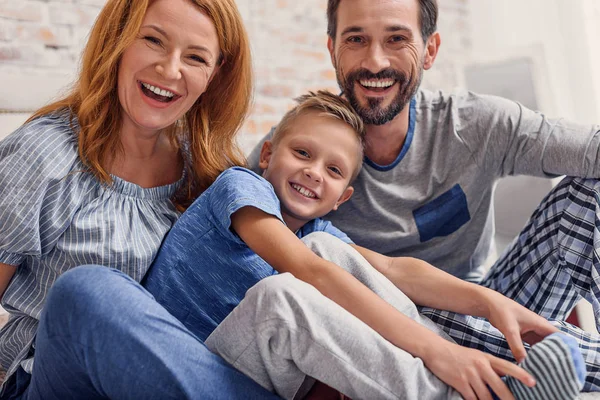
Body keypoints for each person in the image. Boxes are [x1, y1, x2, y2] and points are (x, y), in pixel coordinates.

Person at [247, 0, 600, 393]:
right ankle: (544, 374)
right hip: (390, 336)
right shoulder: (296, 154)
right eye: (356, 39)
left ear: (430, 49)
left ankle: (536, 374)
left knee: (592, 191)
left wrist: (487, 302)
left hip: (485, 303)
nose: (375, 61)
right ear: (332, 50)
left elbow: (592, 149)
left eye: (396, 39)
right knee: (382, 295)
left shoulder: (477, 124)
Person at [144, 90, 586, 400]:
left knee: (326, 251)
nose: (315, 171)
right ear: (267, 155)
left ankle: (472, 378)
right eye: (302, 153)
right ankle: (452, 392)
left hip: (257, 365)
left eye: (333, 171)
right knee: (281, 295)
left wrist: (489, 302)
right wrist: (439, 350)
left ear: (343, 199)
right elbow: (308, 272)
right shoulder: (238, 187)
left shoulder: (315, 234)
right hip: (193, 369)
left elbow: (396, 272)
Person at [0, 0, 278, 398]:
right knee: (87, 292)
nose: (169, 70)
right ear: (118, 40)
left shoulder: (212, 174)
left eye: (195, 57)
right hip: (56, 381)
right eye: (153, 40)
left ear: (214, 76)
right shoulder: (43, 155)